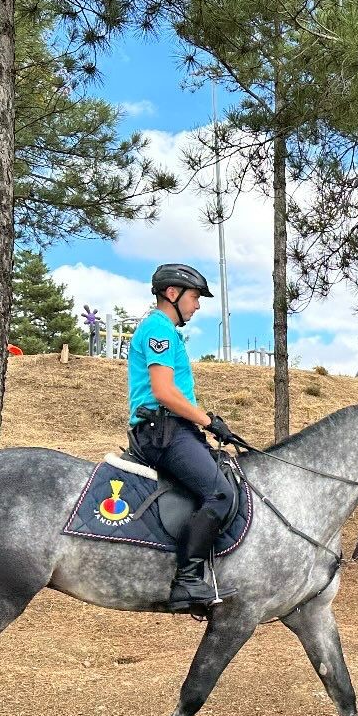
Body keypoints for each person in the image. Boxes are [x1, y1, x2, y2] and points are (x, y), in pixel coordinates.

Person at [127, 263, 247, 614]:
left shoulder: (168, 333)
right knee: (220, 493)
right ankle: (187, 580)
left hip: (175, 430)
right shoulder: (158, 329)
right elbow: (164, 392)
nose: (197, 306)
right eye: (195, 297)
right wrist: (209, 421)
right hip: (162, 432)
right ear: (172, 294)